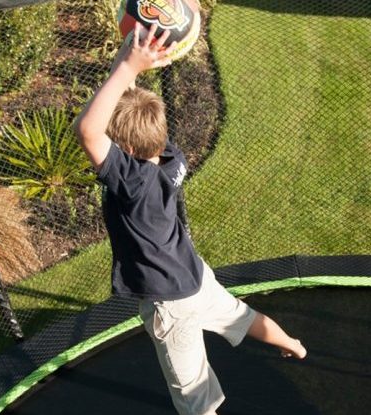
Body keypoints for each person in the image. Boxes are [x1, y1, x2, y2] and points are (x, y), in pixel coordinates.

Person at [73, 22, 307, 415]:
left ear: (126, 148)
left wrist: (129, 69)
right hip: (195, 274)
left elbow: (87, 130)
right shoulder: (170, 157)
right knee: (241, 316)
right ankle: (293, 344)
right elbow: (111, 117)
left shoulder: (133, 184)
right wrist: (132, 60)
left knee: (194, 397)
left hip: (170, 302)